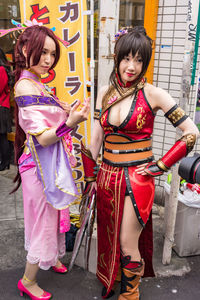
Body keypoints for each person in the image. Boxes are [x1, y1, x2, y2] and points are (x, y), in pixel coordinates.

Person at [82, 26, 199, 300]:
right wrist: (89, 178)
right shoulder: (104, 93)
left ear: (145, 62)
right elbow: (96, 140)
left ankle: (131, 293)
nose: (131, 66)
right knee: (109, 237)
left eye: (139, 60)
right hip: (106, 176)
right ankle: (116, 278)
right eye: (126, 58)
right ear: (117, 57)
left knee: (126, 240)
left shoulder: (154, 94)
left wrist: (161, 165)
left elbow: (192, 132)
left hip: (138, 179)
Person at [12, 24, 90, 300]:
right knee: (44, 221)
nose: (47, 59)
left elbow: (48, 120)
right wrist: (70, 122)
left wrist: (65, 110)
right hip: (39, 167)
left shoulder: (36, 82)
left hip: (47, 164)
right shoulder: (25, 85)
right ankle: (28, 281)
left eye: (51, 53)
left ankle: (52, 258)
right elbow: (42, 139)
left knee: (56, 214)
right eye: (42, 52)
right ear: (24, 49)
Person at [0, 48, 14, 171]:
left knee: (2, 136)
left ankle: (5, 162)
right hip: (2, 107)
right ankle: (4, 162)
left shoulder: (1, 70)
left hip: (1, 108)